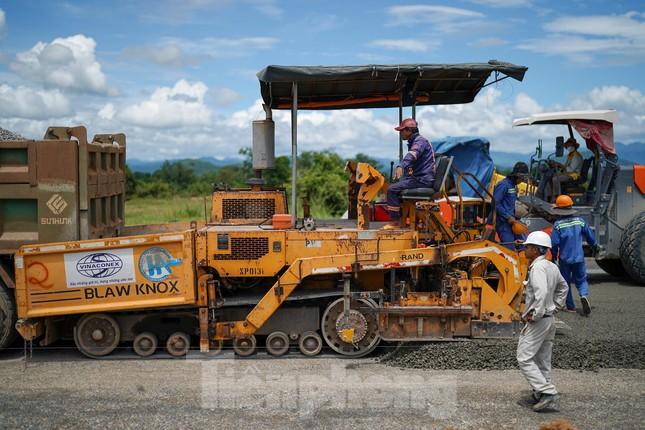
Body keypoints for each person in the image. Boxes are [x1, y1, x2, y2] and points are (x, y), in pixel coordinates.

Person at [517, 231, 569, 412]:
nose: (525, 249)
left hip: (539, 321)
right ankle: (540, 393)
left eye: (528, 247)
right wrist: (555, 306)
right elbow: (564, 287)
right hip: (549, 319)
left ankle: (547, 392)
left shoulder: (537, 268)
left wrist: (536, 314)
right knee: (543, 358)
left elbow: (541, 293)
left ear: (537, 249)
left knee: (524, 357)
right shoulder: (552, 267)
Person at [550, 194, 598, 316]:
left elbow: (554, 243)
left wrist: (554, 256)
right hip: (579, 258)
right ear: (571, 207)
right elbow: (590, 237)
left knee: (566, 283)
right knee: (581, 280)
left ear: (559, 210)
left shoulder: (558, 225)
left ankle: (570, 307)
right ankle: (583, 295)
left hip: (565, 260)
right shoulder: (580, 221)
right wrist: (595, 247)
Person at [385, 118, 436, 226]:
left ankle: (395, 222)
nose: (400, 134)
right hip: (419, 178)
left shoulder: (419, 142)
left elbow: (412, 155)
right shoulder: (416, 141)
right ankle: (404, 219)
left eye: (401, 131)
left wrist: (400, 166)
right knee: (396, 186)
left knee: (391, 189)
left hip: (422, 180)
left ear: (408, 130)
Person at [491, 162, 529, 250]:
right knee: (509, 249)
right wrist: (507, 217)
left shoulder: (513, 186)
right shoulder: (503, 185)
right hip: (503, 222)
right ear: (517, 176)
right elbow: (495, 203)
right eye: (521, 178)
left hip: (512, 221)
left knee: (523, 244)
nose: (522, 181)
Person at [538, 138, 583, 202]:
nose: (568, 147)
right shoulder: (570, 156)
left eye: (570, 145)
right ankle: (548, 196)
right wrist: (558, 165)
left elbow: (571, 169)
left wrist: (560, 165)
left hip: (574, 175)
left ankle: (557, 197)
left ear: (574, 146)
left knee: (555, 179)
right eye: (567, 146)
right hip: (568, 173)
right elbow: (565, 167)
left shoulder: (577, 156)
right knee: (549, 177)